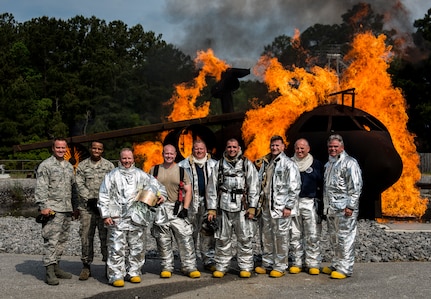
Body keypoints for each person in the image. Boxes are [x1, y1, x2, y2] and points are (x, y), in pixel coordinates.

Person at [98, 148, 167, 287]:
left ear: (133, 159)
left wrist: (161, 195)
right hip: (117, 218)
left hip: (137, 218)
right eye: (124, 158)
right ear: (119, 159)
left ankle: (134, 272)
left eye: (129, 158)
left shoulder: (141, 175)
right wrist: (105, 215)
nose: (127, 161)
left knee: (137, 247)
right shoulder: (111, 176)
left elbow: (157, 186)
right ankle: (116, 275)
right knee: (116, 247)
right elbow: (103, 195)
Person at [206, 138, 259, 278]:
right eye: (229, 147)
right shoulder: (219, 165)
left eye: (234, 147)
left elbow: (254, 186)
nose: (232, 149)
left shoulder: (247, 164)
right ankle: (222, 266)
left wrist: (252, 206)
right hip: (223, 206)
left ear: (239, 148)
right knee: (223, 238)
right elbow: (211, 187)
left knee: (245, 238)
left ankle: (246, 267)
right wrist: (211, 208)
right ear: (226, 148)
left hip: (242, 207)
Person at [150, 144, 201, 279]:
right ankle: (167, 267)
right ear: (163, 154)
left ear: (175, 154)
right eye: (166, 153)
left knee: (185, 238)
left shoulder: (182, 171)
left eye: (171, 154)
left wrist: (185, 208)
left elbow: (189, 190)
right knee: (163, 240)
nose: (169, 156)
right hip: (160, 209)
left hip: (177, 209)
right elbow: (148, 189)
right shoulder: (154, 170)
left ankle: (189, 266)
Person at [254, 135, 301, 278]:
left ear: (283, 147)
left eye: (277, 145)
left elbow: (294, 186)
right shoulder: (266, 162)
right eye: (272, 145)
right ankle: (267, 263)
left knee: (281, 236)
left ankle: (280, 266)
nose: (274, 148)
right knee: (266, 235)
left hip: (281, 207)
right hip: (266, 206)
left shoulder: (289, 164)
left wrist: (289, 206)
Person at [35, 138, 78, 285]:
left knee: (62, 241)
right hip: (52, 209)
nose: (61, 150)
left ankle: (56, 267)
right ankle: (49, 272)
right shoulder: (45, 166)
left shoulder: (68, 166)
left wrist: (75, 207)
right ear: (53, 148)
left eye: (63, 148)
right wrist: (43, 206)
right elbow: (41, 187)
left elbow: (73, 189)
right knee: (51, 241)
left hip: (66, 209)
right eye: (58, 148)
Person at [321, 134, 362, 279]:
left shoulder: (350, 163)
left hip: (344, 209)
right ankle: (337, 264)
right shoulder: (329, 164)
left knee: (345, 238)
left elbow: (355, 187)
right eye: (330, 147)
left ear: (342, 147)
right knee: (334, 238)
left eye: (335, 147)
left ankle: (345, 268)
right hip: (332, 208)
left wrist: (350, 206)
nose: (333, 149)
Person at [75, 141, 115, 280]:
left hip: (103, 208)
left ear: (102, 150)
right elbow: (79, 183)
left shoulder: (109, 166)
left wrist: (104, 203)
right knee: (86, 236)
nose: (96, 150)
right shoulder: (82, 165)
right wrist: (89, 199)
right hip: (87, 208)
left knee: (106, 237)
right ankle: (86, 266)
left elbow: (113, 184)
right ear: (90, 149)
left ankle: (108, 265)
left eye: (99, 148)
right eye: (94, 148)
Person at [178, 140, 218, 271]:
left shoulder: (215, 165)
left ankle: (209, 260)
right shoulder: (183, 165)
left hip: (208, 204)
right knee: (189, 233)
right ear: (192, 150)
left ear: (206, 150)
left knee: (208, 231)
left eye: (201, 149)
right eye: (196, 149)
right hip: (190, 204)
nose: (199, 151)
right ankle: (189, 262)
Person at [289, 138, 324, 275]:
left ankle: (313, 263)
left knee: (312, 234)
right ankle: (297, 262)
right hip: (293, 202)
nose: (300, 151)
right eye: (297, 148)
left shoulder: (316, 164)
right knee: (295, 234)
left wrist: (321, 205)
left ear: (308, 149)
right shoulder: (289, 164)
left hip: (310, 202)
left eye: (302, 148)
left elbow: (322, 185)